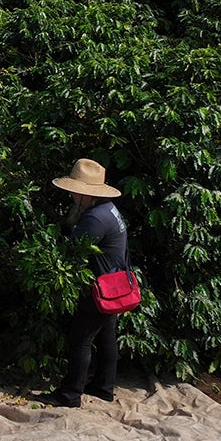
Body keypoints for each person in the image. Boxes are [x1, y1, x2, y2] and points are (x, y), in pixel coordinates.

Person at [34, 158, 130, 408]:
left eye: (76, 192)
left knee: (81, 338)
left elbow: (72, 251)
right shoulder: (108, 209)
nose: (72, 196)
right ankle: (103, 387)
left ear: (86, 194)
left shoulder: (94, 219)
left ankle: (69, 394)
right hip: (113, 283)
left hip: (98, 286)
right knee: (106, 335)